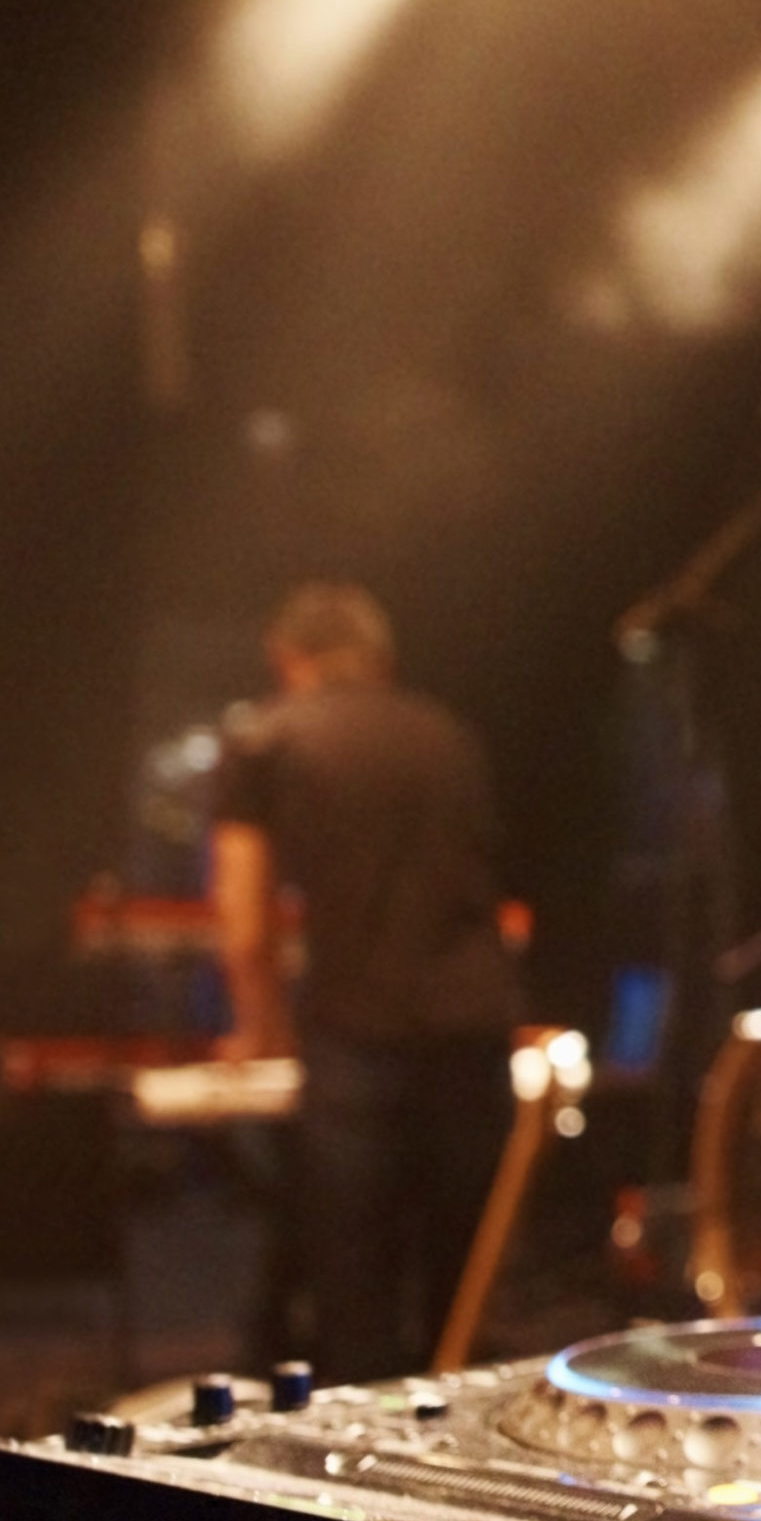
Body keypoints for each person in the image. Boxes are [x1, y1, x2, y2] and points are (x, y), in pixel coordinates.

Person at [211, 582, 517, 1384]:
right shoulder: (448, 735)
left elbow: (245, 922)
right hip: (477, 1027)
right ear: (379, 660)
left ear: (287, 659)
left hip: (357, 1033)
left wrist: (261, 1029)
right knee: (465, 1289)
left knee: (355, 1290)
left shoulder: (264, 740)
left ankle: (359, 1491)